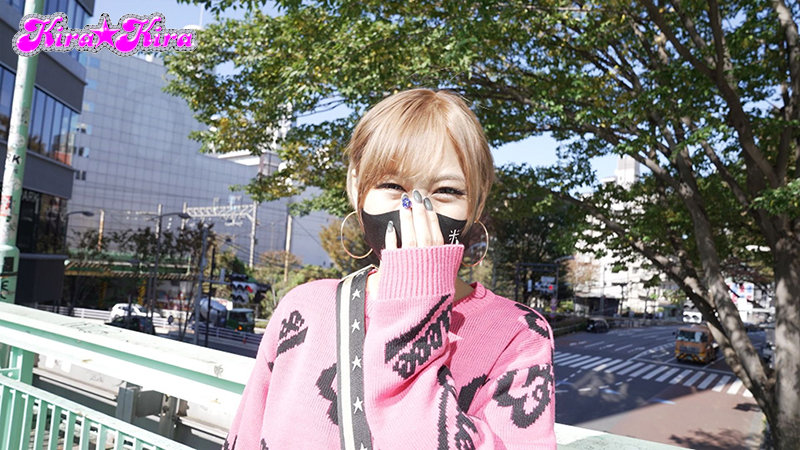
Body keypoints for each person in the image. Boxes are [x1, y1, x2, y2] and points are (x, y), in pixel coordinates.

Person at [225, 89, 556, 449]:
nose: (417, 209)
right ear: (356, 187)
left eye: (447, 191)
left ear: (477, 203)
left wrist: (415, 306)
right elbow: (245, 434)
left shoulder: (518, 333)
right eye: (392, 185)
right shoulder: (304, 308)